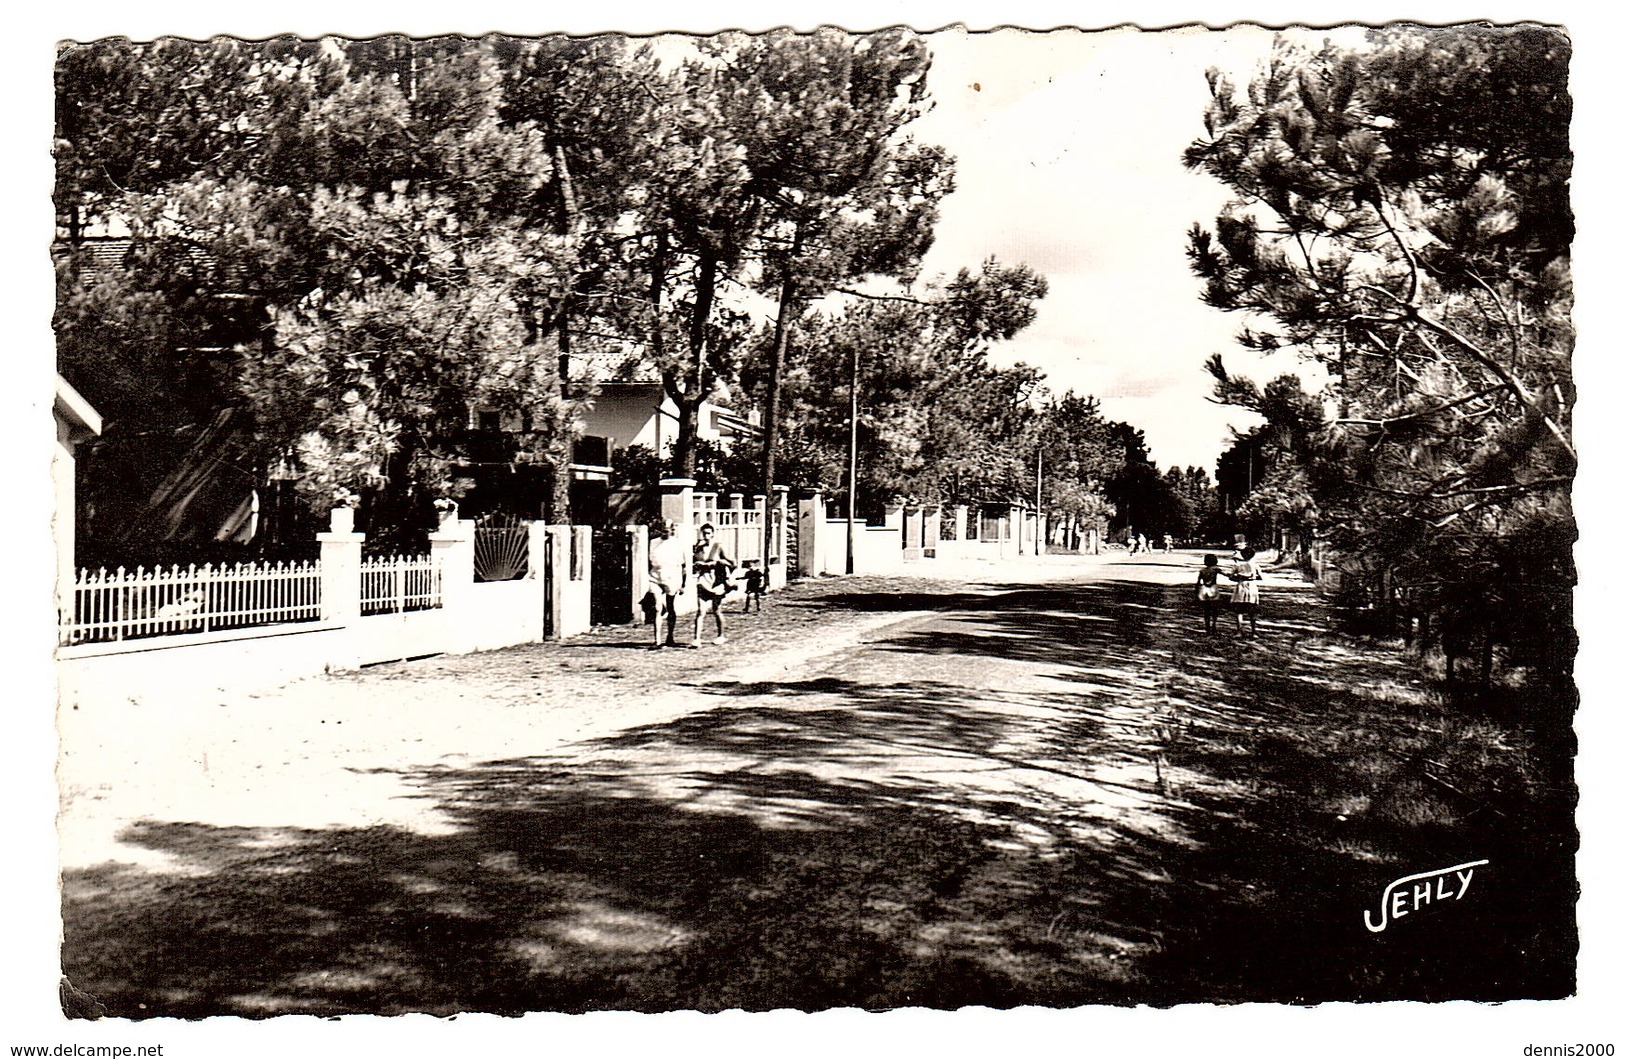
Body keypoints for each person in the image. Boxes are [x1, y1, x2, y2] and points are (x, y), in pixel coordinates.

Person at [646, 518, 689, 649]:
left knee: (670, 607)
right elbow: (649, 561)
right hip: (655, 577)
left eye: (668, 530)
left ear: (672, 530)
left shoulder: (677, 544)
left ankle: (670, 636)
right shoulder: (653, 543)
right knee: (657, 607)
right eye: (663, 530)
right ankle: (657, 640)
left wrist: (683, 584)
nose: (665, 532)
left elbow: (684, 566)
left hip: (672, 577)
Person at [692, 522, 736, 644]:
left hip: (717, 581)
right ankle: (696, 638)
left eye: (708, 533)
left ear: (712, 534)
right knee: (701, 610)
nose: (705, 536)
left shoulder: (718, 546)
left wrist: (718, 562)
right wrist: (697, 566)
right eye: (703, 533)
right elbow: (693, 563)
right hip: (703, 580)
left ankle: (721, 635)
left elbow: (732, 563)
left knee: (716, 609)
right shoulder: (698, 548)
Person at [1226, 545, 1263, 635]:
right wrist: (1252, 577)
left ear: (1242, 555)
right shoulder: (1255, 565)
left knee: (1239, 611)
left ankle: (1239, 631)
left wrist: (1239, 578)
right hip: (1252, 587)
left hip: (1241, 586)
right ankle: (1253, 632)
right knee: (1252, 610)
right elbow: (1260, 577)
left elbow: (1231, 577)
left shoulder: (1237, 565)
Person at [1196, 553, 1223, 633]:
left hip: (1204, 588)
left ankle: (1207, 626)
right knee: (1215, 608)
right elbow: (1226, 575)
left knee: (1206, 609)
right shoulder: (1216, 569)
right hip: (1213, 588)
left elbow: (1198, 582)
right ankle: (1214, 625)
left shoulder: (1202, 570)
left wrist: (1196, 590)